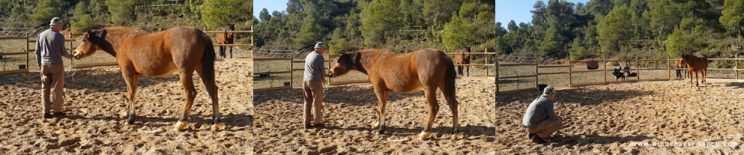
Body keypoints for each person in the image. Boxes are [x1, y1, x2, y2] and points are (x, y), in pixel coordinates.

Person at [36, 17, 73, 119]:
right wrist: (71, 56)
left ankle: (46, 111)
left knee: (45, 88)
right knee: (57, 88)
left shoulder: (41, 35)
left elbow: (37, 52)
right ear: (56, 25)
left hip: (44, 65)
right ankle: (57, 111)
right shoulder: (59, 36)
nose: (61, 27)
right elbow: (63, 52)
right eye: (61, 25)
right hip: (56, 64)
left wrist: (39, 64)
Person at [303, 42, 328, 129]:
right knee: (317, 102)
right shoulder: (319, 57)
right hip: (315, 81)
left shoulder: (309, 55)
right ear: (319, 48)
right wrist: (324, 79)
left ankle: (307, 123)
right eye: (324, 48)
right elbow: (322, 70)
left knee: (307, 102)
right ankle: (317, 123)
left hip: (305, 80)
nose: (325, 50)